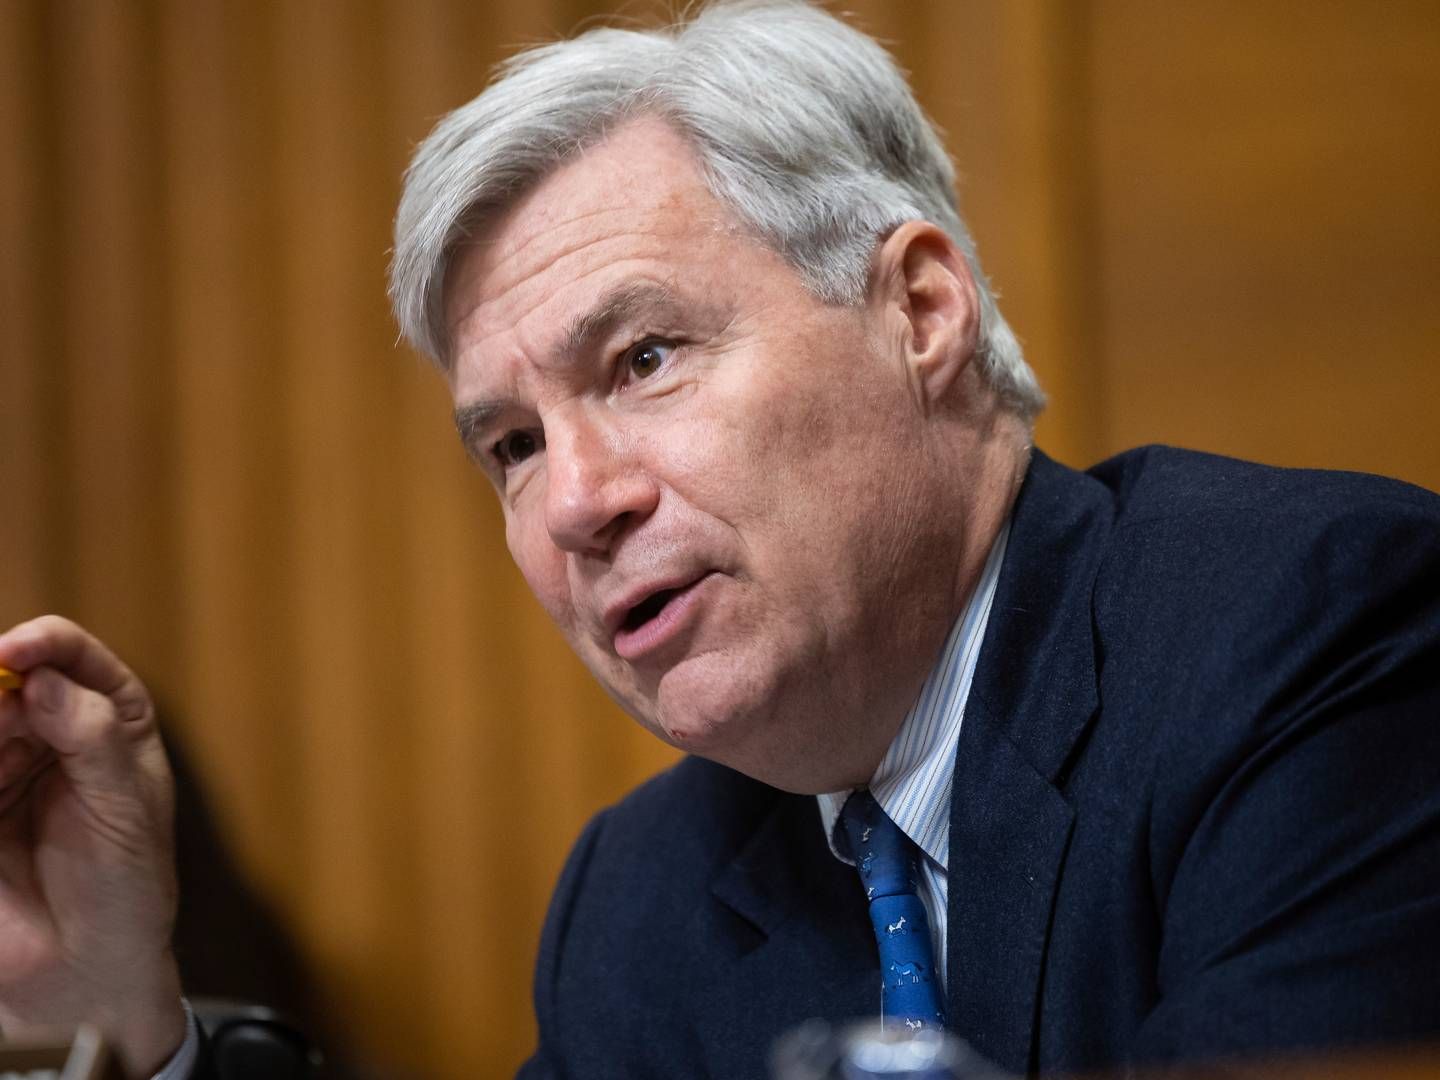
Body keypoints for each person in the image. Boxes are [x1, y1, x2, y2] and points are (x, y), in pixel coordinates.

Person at [0, 1, 1437, 1077]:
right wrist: (131, 1023)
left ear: (919, 312)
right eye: (511, 445)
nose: (575, 502)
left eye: (642, 361)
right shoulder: (643, 902)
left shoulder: (1308, 636)